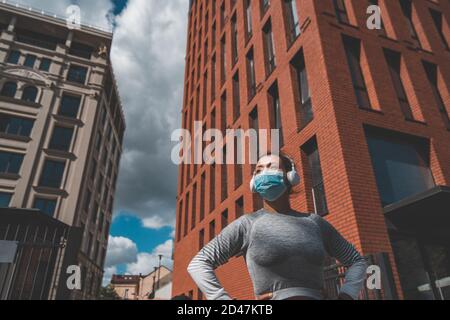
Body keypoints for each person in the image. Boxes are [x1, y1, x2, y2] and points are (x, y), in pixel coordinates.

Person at [187, 153, 368, 300]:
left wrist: (346, 296)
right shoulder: (247, 224)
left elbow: (357, 261)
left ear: (290, 177)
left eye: (272, 167)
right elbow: (198, 264)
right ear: (253, 183)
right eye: (258, 170)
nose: (264, 173)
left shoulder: (315, 223)